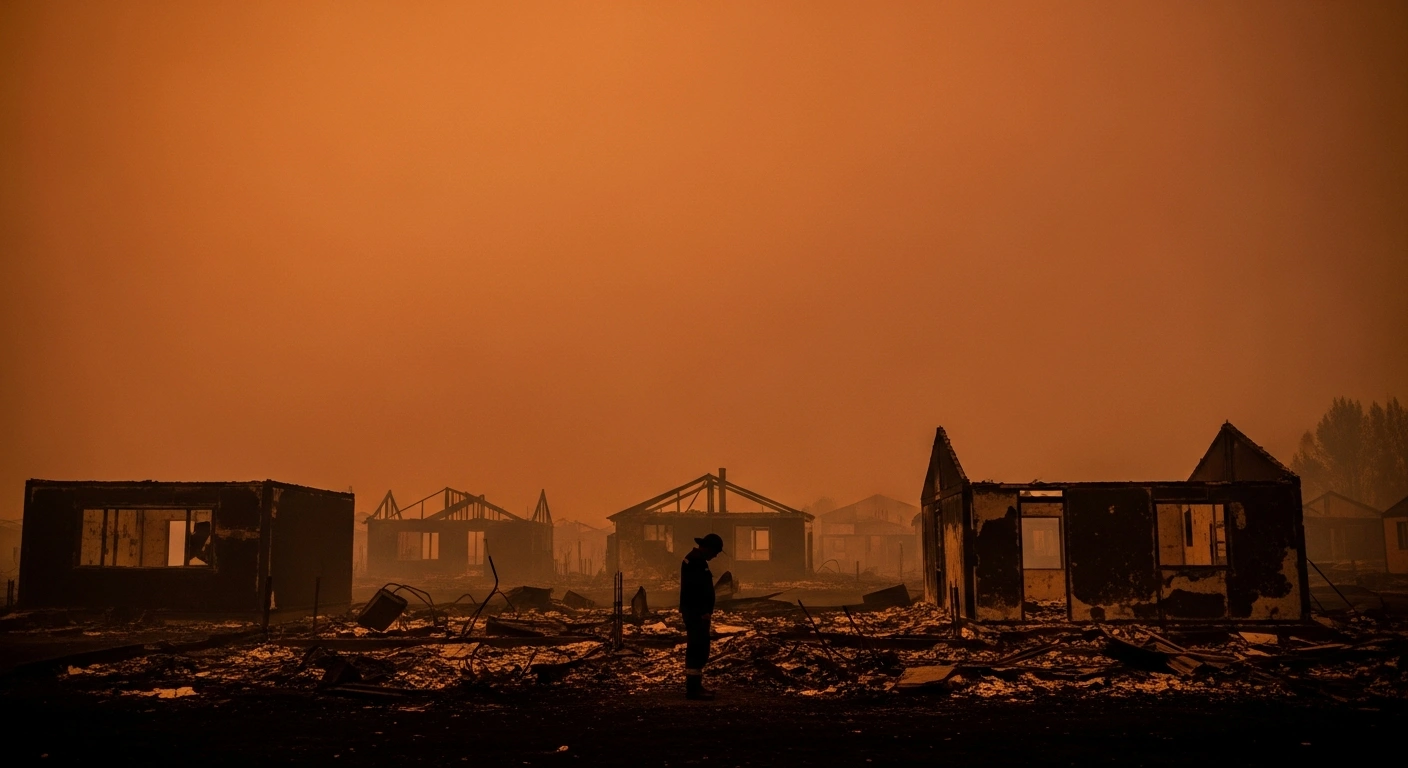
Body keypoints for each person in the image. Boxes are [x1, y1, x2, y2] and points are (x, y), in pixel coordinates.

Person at [679, 532, 723, 700]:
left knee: (696, 648)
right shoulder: (696, 562)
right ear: (708, 548)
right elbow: (697, 590)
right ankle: (694, 688)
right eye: (715, 551)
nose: (715, 555)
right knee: (697, 648)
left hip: (694, 612)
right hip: (697, 613)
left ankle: (695, 686)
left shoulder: (694, 560)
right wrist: (703, 611)